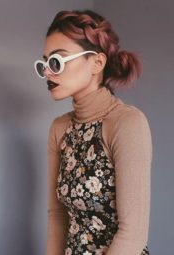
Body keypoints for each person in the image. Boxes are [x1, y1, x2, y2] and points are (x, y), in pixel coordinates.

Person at [34, 9, 153, 255]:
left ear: (97, 63)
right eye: (44, 63)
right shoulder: (59, 128)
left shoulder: (128, 123)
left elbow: (133, 233)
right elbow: (57, 216)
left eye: (56, 61)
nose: (47, 71)